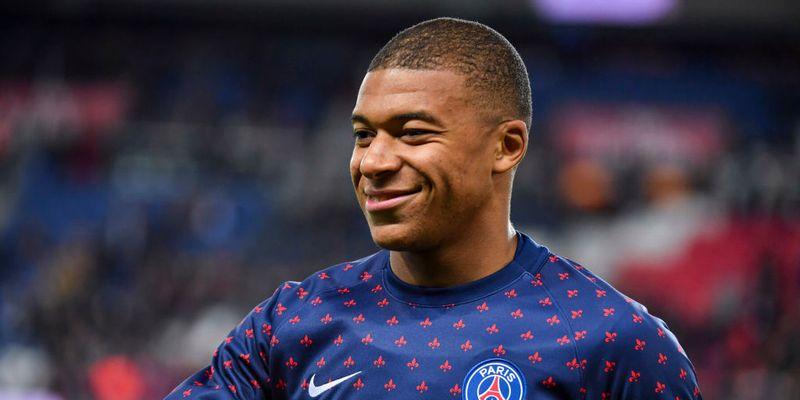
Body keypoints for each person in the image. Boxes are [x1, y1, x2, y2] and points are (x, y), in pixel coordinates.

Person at [165, 17, 702, 400]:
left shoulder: (614, 341)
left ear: (507, 146)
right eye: (363, 135)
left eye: (413, 133)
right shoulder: (291, 323)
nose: (373, 161)